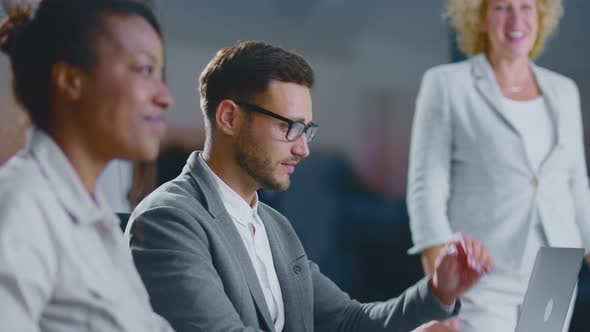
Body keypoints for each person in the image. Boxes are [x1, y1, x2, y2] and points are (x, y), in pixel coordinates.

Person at [126, 40, 492, 332]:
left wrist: (438, 290)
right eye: (289, 127)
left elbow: (350, 321)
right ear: (229, 117)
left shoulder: (274, 227)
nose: (302, 148)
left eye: (307, 130)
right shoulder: (167, 221)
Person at [407, 0, 588, 331]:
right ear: (479, 18)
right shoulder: (447, 85)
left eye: (526, 7)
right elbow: (426, 190)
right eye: (502, 7)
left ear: (541, 15)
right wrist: (441, 298)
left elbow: (576, 185)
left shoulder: (564, 91)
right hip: (482, 278)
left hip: (556, 274)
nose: (516, 18)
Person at [0, 0, 175, 330]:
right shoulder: (21, 206)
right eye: (144, 69)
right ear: (70, 80)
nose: (165, 96)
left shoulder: (97, 220)